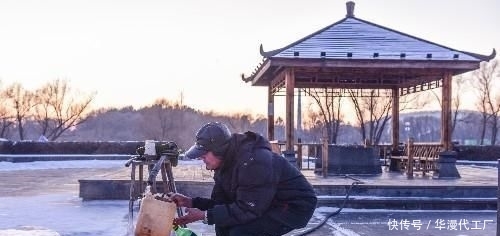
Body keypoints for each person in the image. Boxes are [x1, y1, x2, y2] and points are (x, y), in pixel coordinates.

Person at [169, 122, 317, 236]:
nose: (201, 157)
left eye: (204, 153)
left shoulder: (253, 162)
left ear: (219, 150)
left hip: (293, 206)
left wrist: (204, 215)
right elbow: (222, 204)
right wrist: (191, 202)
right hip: (264, 202)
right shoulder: (224, 165)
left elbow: (248, 209)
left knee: (241, 232)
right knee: (223, 224)